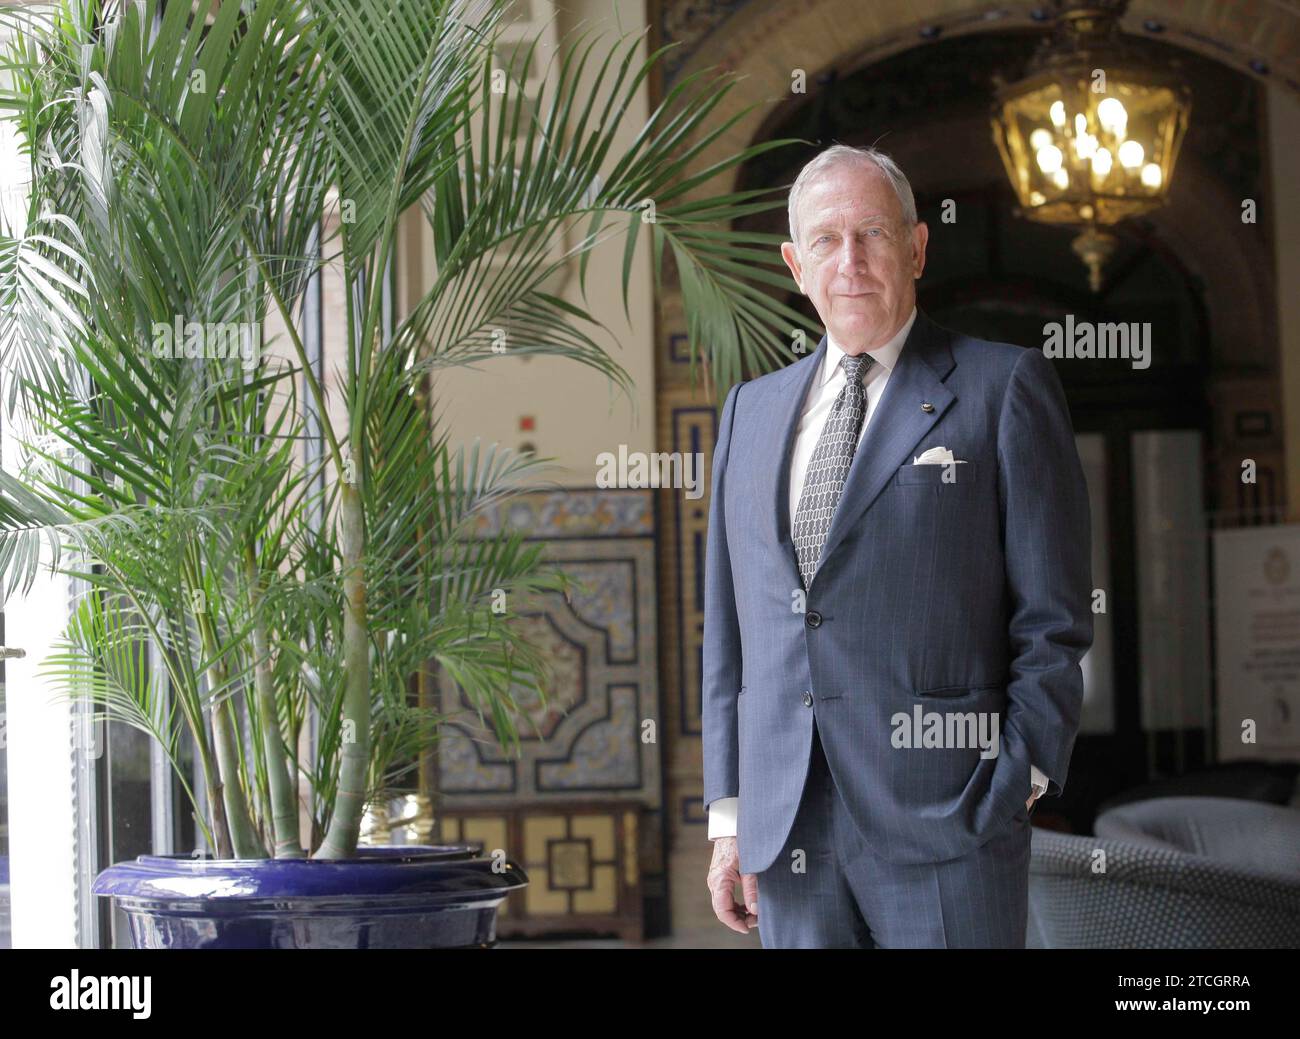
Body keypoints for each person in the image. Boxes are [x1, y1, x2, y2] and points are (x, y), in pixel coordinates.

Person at [701, 144, 1093, 947]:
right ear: (794, 263)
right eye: (826, 240)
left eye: (873, 234)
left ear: (916, 247)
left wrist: (1017, 779)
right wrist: (731, 816)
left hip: (950, 817)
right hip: (788, 834)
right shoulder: (750, 411)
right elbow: (729, 635)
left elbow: (1053, 619)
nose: (851, 261)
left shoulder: (1002, 387)